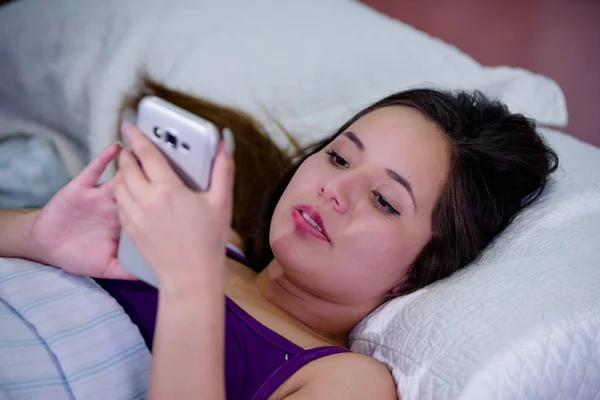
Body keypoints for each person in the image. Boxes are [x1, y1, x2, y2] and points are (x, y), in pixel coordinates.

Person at [0, 79, 558, 400]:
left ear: (422, 271)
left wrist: (189, 281)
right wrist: (37, 235)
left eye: (385, 200)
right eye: (338, 156)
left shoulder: (346, 382)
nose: (335, 189)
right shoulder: (215, 242)